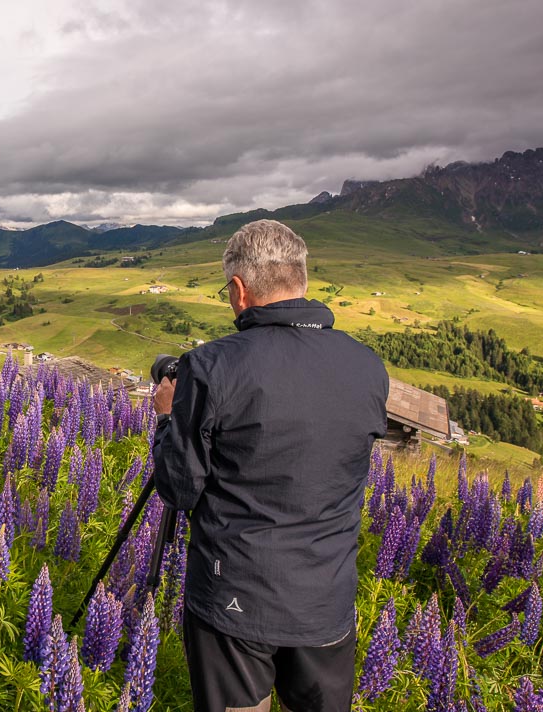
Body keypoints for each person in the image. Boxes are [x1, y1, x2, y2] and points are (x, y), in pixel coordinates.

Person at [151, 219, 388, 712]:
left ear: (238, 289)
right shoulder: (367, 366)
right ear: (300, 281)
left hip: (235, 599)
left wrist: (167, 418)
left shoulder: (213, 365)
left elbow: (179, 488)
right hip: (326, 602)